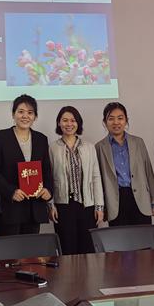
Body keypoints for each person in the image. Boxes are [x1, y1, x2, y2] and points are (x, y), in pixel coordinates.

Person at [0, 94, 53, 235]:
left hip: (34, 208)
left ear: (35, 117)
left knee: (31, 249)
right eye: (21, 112)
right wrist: (11, 191)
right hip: (10, 208)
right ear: (13, 114)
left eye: (30, 112)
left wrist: (48, 190)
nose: (25, 116)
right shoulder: (0, 138)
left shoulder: (41, 139)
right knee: (9, 249)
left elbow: (47, 171)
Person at [48, 106, 104, 254]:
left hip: (87, 206)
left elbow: (96, 177)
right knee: (67, 249)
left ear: (78, 123)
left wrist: (99, 206)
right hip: (63, 206)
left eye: (73, 120)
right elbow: (49, 178)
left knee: (88, 249)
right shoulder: (52, 148)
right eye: (65, 120)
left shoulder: (89, 147)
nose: (69, 124)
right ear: (59, 123)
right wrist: (51, 205)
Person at [96, 102, 154, 226]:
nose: (116, 122)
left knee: (143, 237)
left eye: (120, 118)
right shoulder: (100, 147)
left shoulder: (138, 142)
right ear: (105, 122)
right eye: (111, 119)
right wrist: (101, 206)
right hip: (115, 201)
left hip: (140, 198)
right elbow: (98, 180)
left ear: (126, 120)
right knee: (120, 237)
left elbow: (148, 171)